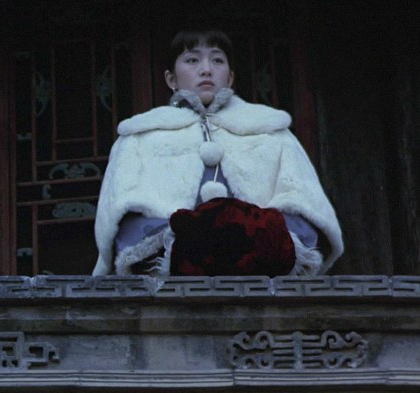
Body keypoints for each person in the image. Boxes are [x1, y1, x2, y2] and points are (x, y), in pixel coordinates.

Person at [93, 30, 343, 276]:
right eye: (192, 60)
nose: (206, 69)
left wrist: (257, 232)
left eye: (217, 60)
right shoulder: (139, 137)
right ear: (171, 79)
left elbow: (306, 208)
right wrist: (181, 239)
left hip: (264, 276)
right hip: (170, 278)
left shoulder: (273, 132)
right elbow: (121, 217)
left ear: (230, 77)